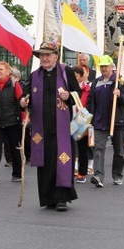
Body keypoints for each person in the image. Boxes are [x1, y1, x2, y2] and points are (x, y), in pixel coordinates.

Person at [21, 40, 80, 210]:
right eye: (42, 55)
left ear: (56, 56)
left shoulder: (65, 72)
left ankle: (62, 198)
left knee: (61, 159)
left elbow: (78, 92)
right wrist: (23, 101)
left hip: (62, 126)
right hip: (42, 127)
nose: (44, 58)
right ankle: (48, 197)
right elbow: (26, 95)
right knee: (45, 161)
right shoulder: (35, 75)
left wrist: (69, 95)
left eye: (48, 55)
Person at [85, 55, 124, 187]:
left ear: (112, 67)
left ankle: (117, 175)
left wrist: (120, 95)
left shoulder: (119, 82)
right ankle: (98, 175)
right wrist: (89, 116)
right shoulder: (96, 82)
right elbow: (91, 101)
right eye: (102, 66)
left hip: (117, 121)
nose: (104, 68)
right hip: (99, 121)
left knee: (119, 151)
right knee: (99, 149)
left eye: (106, 66)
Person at [72, 66, 92, 183]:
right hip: (69, 121)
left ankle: (82, 172)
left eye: (77, 76)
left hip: (82, 122)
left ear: (81, 76)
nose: (74, 78)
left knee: (82, 148)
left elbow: (90, 104)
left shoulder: (87, 89)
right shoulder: (66, 89)